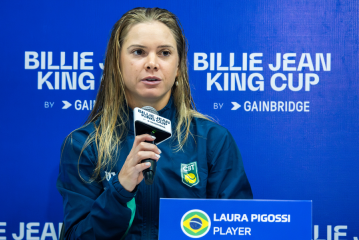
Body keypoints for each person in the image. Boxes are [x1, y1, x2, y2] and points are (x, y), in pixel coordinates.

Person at [57, 7, 253, 240]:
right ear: (116, 63)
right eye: (138, 52)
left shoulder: (212, 140)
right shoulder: (84, 145)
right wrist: (120, 190)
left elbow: (239, 231)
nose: (152, 63)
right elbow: (75, 237)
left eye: (164, 53)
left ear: (179, 67)